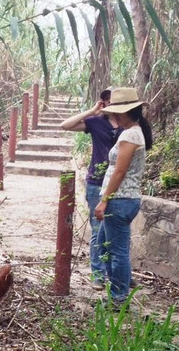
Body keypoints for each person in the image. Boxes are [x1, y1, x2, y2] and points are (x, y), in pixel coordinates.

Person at [94, 87, 154, 306]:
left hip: (119, 200)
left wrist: (104, 200)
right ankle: (119, 286)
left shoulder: (130, 134)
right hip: (122, 199)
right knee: (104, 245)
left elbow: (120, 171)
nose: (114, 116)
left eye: (118, 112)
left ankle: (119, 298)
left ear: (129, 111)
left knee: (117, 251)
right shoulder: (133, 132)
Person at [61, 88, 121, 289]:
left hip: (120, 183)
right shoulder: (96, 123)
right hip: (97, 182)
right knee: (98, 228)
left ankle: (118, 273)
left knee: (118, 229)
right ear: (103, 102)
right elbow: (66, 125)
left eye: (116, 100)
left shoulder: (127, 125)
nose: (113, 103)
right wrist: (92, 111)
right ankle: (97, 273)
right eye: (108, 100)